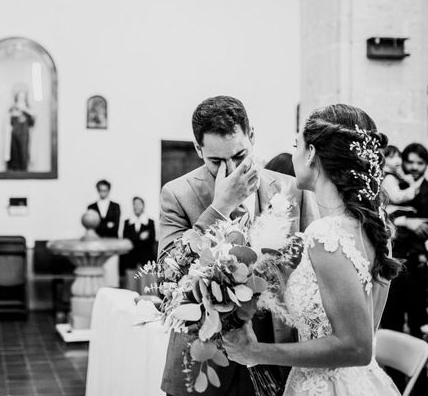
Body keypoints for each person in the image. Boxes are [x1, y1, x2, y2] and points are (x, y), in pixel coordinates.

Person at [222, 104, 401, 396]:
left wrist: (255, 351)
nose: (293, 154)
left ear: (312, 154)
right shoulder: (373, 229)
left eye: (296, 145)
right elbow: (364, 331)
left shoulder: (325, 233)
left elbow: (356, 347)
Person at [159, 95, 318, 396]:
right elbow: (168, 274)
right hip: (204, 357)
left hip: (276, 349)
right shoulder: (177, 194)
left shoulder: (293, 190)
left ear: (252, 136)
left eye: (239, 155)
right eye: (216, 161)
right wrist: (220, 206)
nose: (231, 169)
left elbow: (312, 272)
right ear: (198, 149)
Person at [381, 143, 428, 338]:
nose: (415, 167)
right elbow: (379, 215)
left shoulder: (426, 189)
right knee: (392, 319)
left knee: (419, 318)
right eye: (410, 162)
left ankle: (417, 365)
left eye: (420, 162)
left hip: (418, 261)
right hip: (394, 259)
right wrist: (405, 221)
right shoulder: (392, 183)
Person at [381, 145, 423, 213]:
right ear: (383, 159)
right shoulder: (389, 178)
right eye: (391, 157)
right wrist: (413, 188)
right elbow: (396, 198)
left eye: (399, 156)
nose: (397, 160)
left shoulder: (395, 174)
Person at [120, 196, 156, 274]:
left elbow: (151, 241)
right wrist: (140, 237)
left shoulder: (150, 222)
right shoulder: (127, 222)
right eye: (134, 204)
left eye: (139, 204)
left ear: (143, 206)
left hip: (146, 258)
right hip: (131, 258)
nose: (136, 206)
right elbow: (126, 240)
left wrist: (134, 239)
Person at [6, 85, 35, 171]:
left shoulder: (28, 109)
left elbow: (32, 122)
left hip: (24, 135)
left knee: (23, 154)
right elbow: (9, 121)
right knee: (14, 154)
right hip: (15, 134)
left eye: (23, 96)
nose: (21, 98)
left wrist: (25, 110)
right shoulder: (13, 108)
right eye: (20, 96)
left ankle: (23, 169)